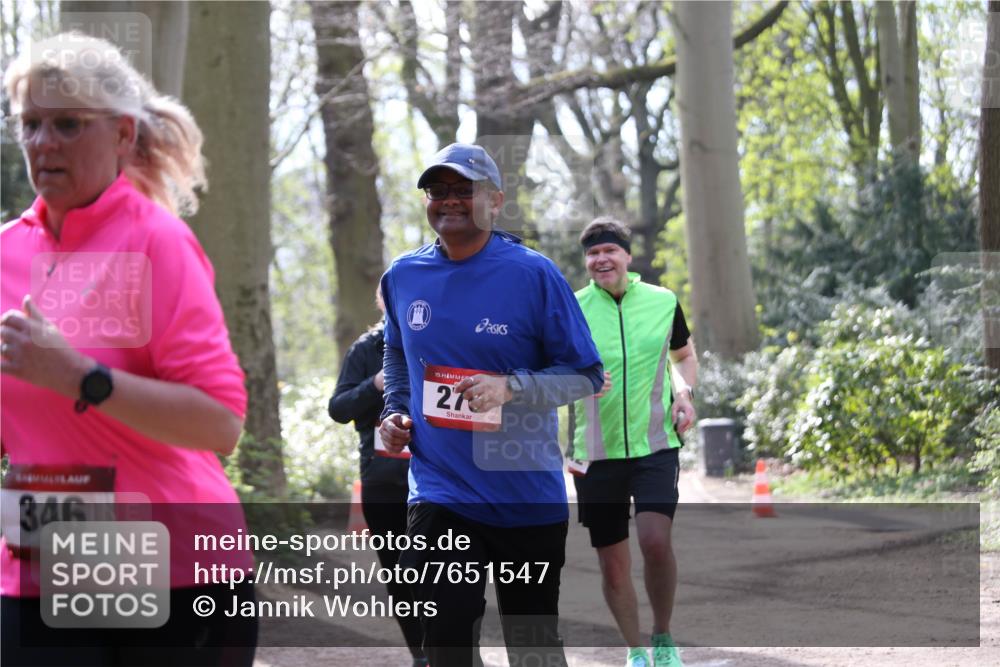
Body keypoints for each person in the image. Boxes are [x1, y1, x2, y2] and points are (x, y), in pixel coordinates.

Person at [1, 33, 255, 666]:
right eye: (30, 124)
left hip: (176, 568)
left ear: (120, 135)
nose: (43, 143)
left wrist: (82, 379)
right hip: (43, 563)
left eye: (67, 124)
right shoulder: (6, 254)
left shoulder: (156, 242)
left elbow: (220, 424)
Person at [377, 142, 604, 667]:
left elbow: (586, 374)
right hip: (442, 492)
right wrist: (395, 408)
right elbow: (395, 347)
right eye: (438, 191)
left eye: (464, 190)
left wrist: (512, 386)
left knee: (533, 649)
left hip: (525, 491)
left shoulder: (533, 274)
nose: (449, 201)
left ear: (496, 201)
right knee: (448, 640)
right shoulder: (404, 276)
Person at [570, 218, 698, 667]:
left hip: (656, 445)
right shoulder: (573, 308)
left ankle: (662, 636)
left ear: (627, 256)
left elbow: (684, 356)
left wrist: (685, 392)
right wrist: (575, 381)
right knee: (612, 563)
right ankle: (635, 649)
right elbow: (550, 371)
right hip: (596, 452)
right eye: (592, 254)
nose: (601, 259)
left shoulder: (663, 302)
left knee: (655, 541)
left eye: (609, 251)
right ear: (586, 263)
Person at [328, 286, 428, 667]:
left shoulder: (439, 341)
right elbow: (338, 408)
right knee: (400, 574)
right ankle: (421, 655)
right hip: (384, 481)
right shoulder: (365, 349)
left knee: (445, 569)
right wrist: (375, 385)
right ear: (382, 303)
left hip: (437, 478)